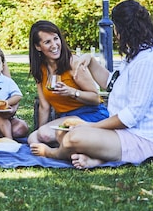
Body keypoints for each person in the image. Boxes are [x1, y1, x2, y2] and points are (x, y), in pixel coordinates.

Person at [35, 0, 153, 169]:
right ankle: (97, 159)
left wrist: (90, 126)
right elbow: (112, 84)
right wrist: (91, 61)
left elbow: (131, 116)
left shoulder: (147, 62)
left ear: (122, 30)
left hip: (147, 141)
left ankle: (54, 154)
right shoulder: (136, 55)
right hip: (125, 134)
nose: (115, 34)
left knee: (73, 137)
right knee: (64, 130)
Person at [27, 20, 109, 155]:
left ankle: (61, 151)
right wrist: (40, 133)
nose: (54, 45)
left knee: (45, 134)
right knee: (33, 138)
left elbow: (95, 98)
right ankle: (74, 148)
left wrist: (72, 92)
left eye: (56, 39)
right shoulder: (40, 69)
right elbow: (44, 106)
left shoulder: (73, 63)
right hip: (66, 118)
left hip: (91, 115)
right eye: (47, 42)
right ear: (37, 46)